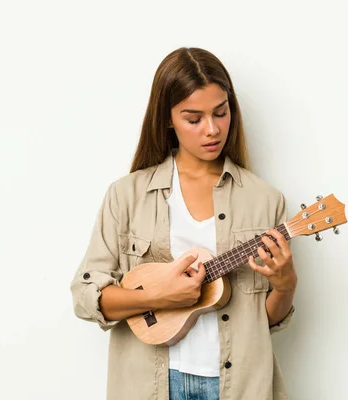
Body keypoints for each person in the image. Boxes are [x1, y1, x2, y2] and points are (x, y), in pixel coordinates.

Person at [70, 47, 297, 400]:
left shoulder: (265, 201)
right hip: (153, 383)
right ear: (168, 119)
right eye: (194, 119)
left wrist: (285, 286)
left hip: (239, 385)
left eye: (221, 113)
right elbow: (87, 297)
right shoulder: (127, 195)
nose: (212, 130)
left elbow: (263, 322)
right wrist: (163, 295)